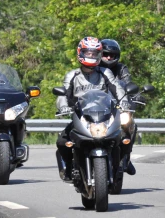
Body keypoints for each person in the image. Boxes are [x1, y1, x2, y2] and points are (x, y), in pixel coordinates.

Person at [55, 37, 130, 183]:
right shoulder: (73, 75)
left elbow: (118, 89)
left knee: (122, 138)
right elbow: (63, 93)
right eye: (87, 53)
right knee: (62, 141)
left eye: (94, 53)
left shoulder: (105, 73)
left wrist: (124, 103)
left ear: (99, 54)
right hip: (82, 116)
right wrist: (63, 106)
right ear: (80, 53)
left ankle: (118, 167)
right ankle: (69, 169)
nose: (91, 56)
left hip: (104, 116)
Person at [99, 39, 137, 176]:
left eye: (112, 55)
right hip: (99, 107)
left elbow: (128, 83)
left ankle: (126, 157)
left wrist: (135, 96)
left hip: (117, 106)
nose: (109, 57)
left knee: (130, 124)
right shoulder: (94, 69)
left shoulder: (121, 69)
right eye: (106, 54)